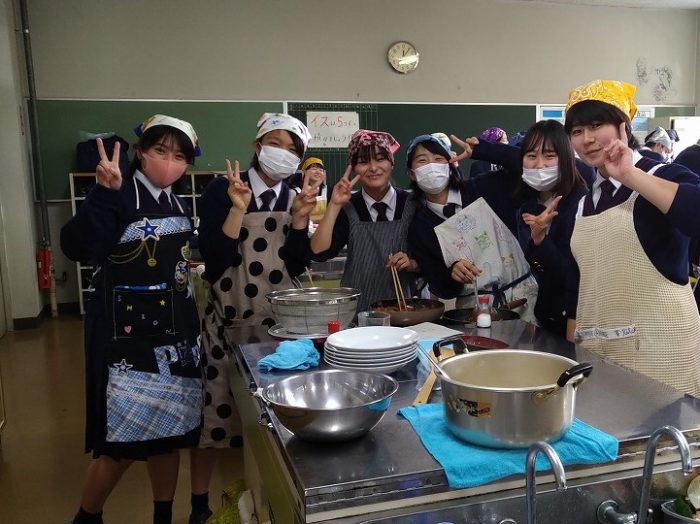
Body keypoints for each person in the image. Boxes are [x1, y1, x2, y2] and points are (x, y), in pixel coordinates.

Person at [61, 115, 204, 524]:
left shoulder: (178, 201)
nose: (169, 163)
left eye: (180, 157)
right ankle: (87, 517)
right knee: (120, 441)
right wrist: (102, 194)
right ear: (141, 152)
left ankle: (163, 516)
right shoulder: (119, 193)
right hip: (125, 339)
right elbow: (75, 246)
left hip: (176, 337)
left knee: (171, 434)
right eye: (160, 151)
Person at [192, 113, 318, 524]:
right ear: (257, 145)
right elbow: (215, 261)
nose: (284, 154)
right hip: (229, 320)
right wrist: (237, 208)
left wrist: (300, 219)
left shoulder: (295, 196)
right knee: (215, 414)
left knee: (277, 416)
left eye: (293, 149)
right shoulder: (222, 189)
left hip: (283, 327)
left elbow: (297, 263)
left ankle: (273, 498)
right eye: (276, 143)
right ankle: (197, 503)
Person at [564, 79, 700, 396]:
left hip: (662, 354)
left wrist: (629, 175)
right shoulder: (583, 201)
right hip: (599, 353)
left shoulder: (660, 175)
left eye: (596, 125)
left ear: (623, 127)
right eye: (577, 131)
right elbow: (586, 276)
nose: (587, 139)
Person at [449, 120, 589, 337]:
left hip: (574, 322)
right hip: (542, 317)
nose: (539, 165)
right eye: (531, 156)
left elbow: (572, 277)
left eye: (550, 156)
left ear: (567, 158)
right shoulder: (526, 203)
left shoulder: (582, 203)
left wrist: (541, 241)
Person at [309, 129, 418, 312]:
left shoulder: (413, 204)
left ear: (391, 162)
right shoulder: (348, 207)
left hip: (408, 311)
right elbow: (319, 253)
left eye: (380, 159)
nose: (373, 168)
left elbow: (431, 258)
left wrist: (413, 263)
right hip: (358, 313)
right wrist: (334, 205)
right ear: (353, 169)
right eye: (363, 162)